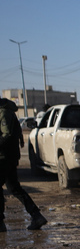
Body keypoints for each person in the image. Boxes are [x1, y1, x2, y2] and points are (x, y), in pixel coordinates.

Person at [0, 98, 46, 232]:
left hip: (4, 158)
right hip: (8, 157)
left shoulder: (3, 112)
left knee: (12, 188)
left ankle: (0, 223)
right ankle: (36, 215)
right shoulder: (7, 111)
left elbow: (6, 134)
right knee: (14, 188)